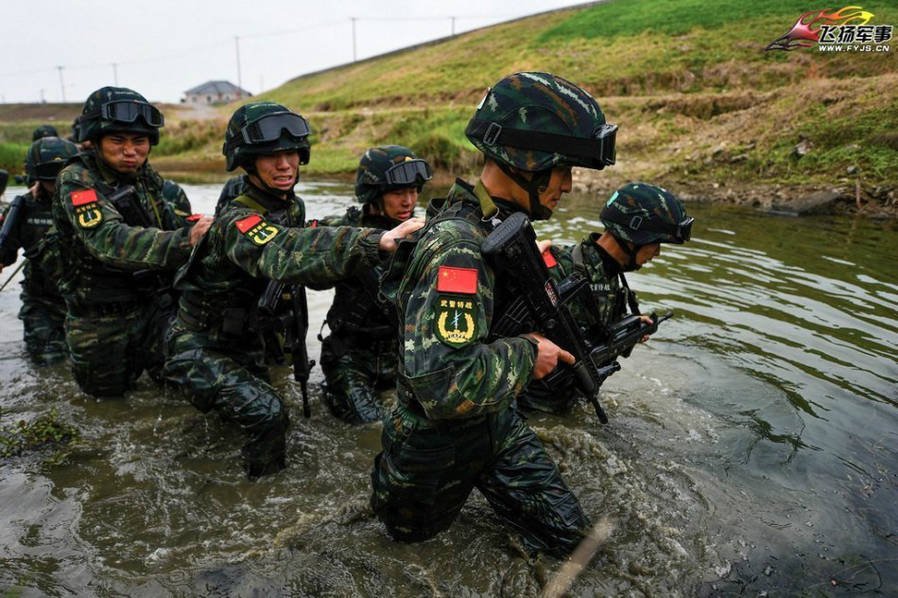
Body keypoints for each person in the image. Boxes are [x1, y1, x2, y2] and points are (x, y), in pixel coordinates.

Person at [370, 71, 619, 557]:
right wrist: (529, 353)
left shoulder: (498, 227)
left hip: (495, 422)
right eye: (563, 169)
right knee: (404, 556)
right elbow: (443, 386)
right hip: (433, 447)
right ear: (528, 159)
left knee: (578, 546)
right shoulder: (458, 249)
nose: (568, 186)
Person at [163, 101, 423, 479]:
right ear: (248, 161)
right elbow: (285, 253)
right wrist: (374, 240)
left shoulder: (291, 207)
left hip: (248, 342)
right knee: (269, 414)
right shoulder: (237, 219)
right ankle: (257, 494)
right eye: (271, 157)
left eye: (290, 154)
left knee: (247, 417)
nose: (285, 165)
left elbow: (313, 245)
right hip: (201, 347)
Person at [50, 86, 213, 397]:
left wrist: (209, 228)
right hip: (100, 323)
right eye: (117, 141)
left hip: (153, 308)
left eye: (139, 141)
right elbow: (107, 241)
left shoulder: (145, 177)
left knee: (180, 393)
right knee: (107, 408)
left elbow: (170, 220)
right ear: (95, 140)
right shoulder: (77, 179)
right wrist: (184, 240)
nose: (130, 151)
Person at [516, 181, 692, 414]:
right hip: (530, 410)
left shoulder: (613, 278)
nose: (657, 253)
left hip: (573, 402)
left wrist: (628, 329)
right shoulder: (558, 267)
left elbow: (594, 334)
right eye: (656, 243)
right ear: (634, 236)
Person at [318, 145, 431, 424]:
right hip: (351, 357)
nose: (409, 200)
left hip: (401, 357)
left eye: (414, 191)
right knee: (371, 425)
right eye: (398, 193)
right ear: (374, 195)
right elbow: (308, 254)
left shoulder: (424, 232)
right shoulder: (343, 232)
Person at [0, 136, 79, 363]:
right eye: (52, 180)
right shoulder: (24, 207)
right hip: (42, 302)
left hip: (87, 303)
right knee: (48, 361)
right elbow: (5, 252)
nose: (60, 185)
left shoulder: (93, 204)